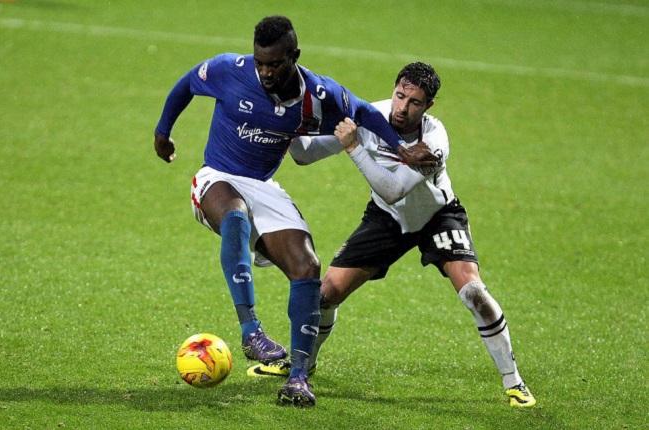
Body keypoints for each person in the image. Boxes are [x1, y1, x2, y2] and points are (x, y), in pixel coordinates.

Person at [153, 17, 433, 407]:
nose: (265, 72)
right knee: (234, 216)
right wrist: (163, 132)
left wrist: (403, 151)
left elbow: (366, 114)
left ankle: (299, 377)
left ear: (294, 57)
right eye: (260, 62)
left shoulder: (318, 95)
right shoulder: (228, 70)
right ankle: (252, 331)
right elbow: (187, 84)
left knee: (307, 267)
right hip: (216, 176)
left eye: (275, 64)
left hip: (264, 187)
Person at [257, 62, 536, 408]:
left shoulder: (434, 140)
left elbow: (393, 189)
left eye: (415, 102)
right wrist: (293, 122)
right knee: (324, 296)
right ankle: (303, 364)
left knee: (474, 292)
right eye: (400, 95)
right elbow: (304, 156)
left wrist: (354, 148)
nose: (403, 108)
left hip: (438, 216)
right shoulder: (369, 114)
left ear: (428, 106)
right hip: (386, 221)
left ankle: (514, 382)